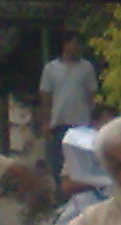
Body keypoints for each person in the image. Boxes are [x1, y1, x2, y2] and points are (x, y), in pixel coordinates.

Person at [36, 34, 99, 181]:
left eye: (78, 44)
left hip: (81, 124)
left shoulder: (86, 67)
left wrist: (93, 120)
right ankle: (60, 195)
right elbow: (46, 97)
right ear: (65, 45)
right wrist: (46, 122)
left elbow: (92, 95)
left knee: (80, 165)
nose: (76, 48)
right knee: (57, 164)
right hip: (58, 124)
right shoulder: (51, 68)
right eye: (73, 43)